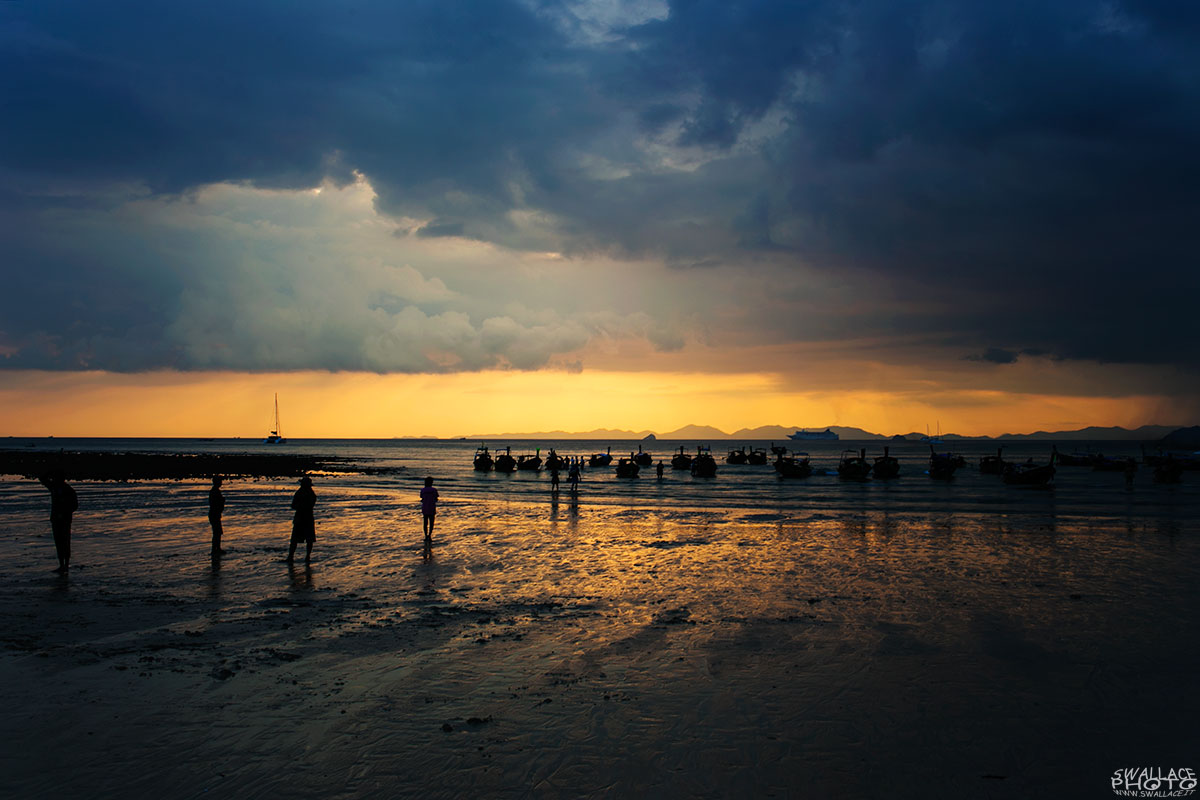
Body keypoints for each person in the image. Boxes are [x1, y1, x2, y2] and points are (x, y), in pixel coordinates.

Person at [39, 469, 77, 573]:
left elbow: (74, 506)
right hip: (55, 519)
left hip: (65, 520)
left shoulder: (68, 490)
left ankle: (66, 565)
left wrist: (64, 512)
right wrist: (50, 469)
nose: (54, 479)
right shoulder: (54, 487)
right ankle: (61, 565)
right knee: (59, 542)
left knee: (65, 542)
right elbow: (42, 479)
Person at [288, 476, 316, 564]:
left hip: (301, 518)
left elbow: (293, 505)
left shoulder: (301, 493)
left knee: (296, 539)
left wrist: (299, 507)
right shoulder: (311, 494)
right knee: (308, 539)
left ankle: (292, 556)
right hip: (307, 519)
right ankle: (306, 557)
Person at [208, 474, 226, 556]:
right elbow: (214, 504)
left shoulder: (214, 491)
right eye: (220, 481)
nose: (221, 483)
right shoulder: (215, 491)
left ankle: (216, 549)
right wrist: (222, 501)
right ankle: (215, 549)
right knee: (217, 532)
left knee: (217, 532)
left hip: (215, 514)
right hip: (214, 514)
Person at [420, 476, 439, 542]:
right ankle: (430, 535)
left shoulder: (423, 490)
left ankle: (426, 535)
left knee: (425, 522)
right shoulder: (434, 490)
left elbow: (421, 497)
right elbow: (436, 498)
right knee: (431, 522)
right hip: (432, 507)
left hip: (425, 507)